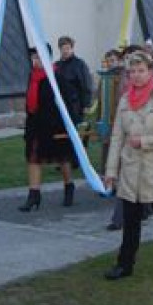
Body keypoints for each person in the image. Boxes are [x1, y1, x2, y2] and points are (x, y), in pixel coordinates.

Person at [103, 50, 153, 279]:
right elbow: (117, 137)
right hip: (131, 169)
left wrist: (145, 142)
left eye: (141, 71)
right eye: (132, 72)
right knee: (130, 220)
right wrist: (110, 172)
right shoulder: (125, 100)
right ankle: (124, 264)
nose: (136, 76)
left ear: (150, 72)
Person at [19, 45, 74, 212]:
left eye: (38, 57)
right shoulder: (32, 76)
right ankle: (34, 194)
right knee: (33, 157)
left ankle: (69, 186)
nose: (35, 61)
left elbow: (68, 102)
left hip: (54, 125)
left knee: (62, 158)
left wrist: (65, 123)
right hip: (35, 125)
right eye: (33, 58)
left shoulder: (57, 77)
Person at [54, 36, 93, 206]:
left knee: (77, 133)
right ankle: (64, 159)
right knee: (62, 135)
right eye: (62, 47)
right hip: (61, 106)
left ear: (72, 47)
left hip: (75, 105)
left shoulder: (79, 64)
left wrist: (85, 104)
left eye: (67, 47)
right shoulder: (57, 66)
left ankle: (76, 158)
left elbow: (85, 85)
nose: (65, 50)